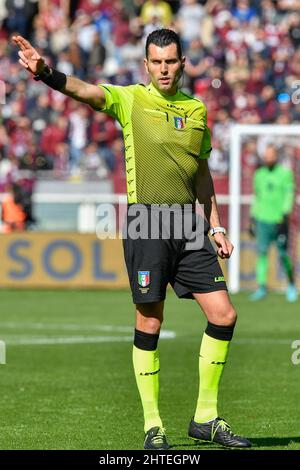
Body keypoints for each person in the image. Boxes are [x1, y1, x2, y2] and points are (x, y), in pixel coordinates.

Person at [13, 29, 252, 450]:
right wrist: (45, 73)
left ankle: (206, 417)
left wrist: (215, 226)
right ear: (146, 65)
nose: (164, 68)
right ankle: (153, 425)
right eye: (156, 62)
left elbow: (201, 173)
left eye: (171, 61)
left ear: (182, 63)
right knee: (150, 322)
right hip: (148, 223)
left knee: (224, 315)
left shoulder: (196, 110)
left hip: (189, 226)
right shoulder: (130, 99)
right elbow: (87, 92)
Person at [249, 144, 298, 302]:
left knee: (283, 254)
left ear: (276, 156)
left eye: (271, 155)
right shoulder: (259, 174)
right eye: (266, 155)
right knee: (262, 252)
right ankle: (262, 287)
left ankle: (291, 285)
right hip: (262, 219)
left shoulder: (285, 174)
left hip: (279, 220)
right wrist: (252, 217)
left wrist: (284, 215)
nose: (268, 158)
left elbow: (289, 195)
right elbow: (257, 197)